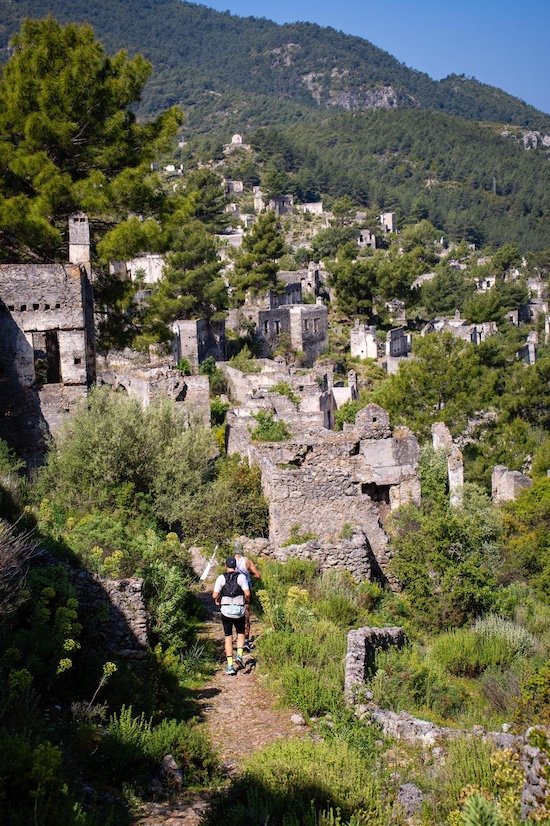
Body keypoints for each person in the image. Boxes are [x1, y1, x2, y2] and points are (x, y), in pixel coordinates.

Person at [212, 556, 250, 676]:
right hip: (239, 609)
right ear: (235, 566)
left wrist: (218, 599)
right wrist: (246, 600)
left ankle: (230, 665)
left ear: (226, 565)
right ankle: (239, 655)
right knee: (240, 633)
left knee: (228, 636)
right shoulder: (241, 577)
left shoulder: (221, 578)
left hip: (226, 610)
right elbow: (247, 593)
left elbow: (214, 595)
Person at [234, 543, 261, 651]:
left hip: (234, 590)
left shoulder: (230, 561)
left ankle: (237, 637)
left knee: (235, 614)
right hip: (245, 589)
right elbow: (258, 575)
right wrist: (251, 577)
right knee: (246, 615)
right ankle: (245, 640)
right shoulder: (247, 561)